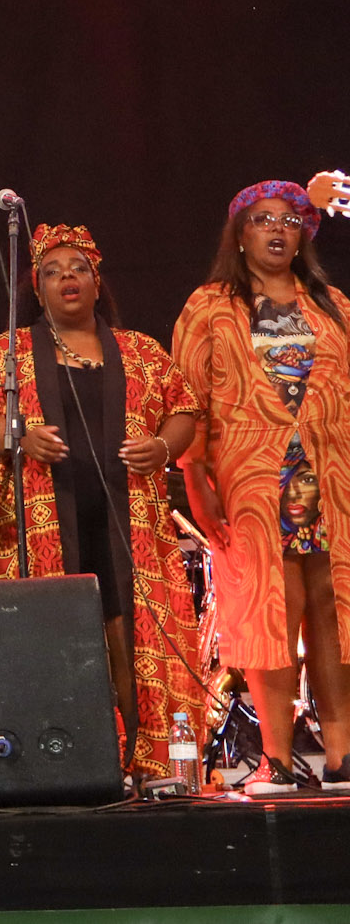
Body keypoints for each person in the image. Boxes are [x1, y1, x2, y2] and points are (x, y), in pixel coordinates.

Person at [0, 223, 204, 782]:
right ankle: (71, 765)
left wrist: (163, 447)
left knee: (129, 635)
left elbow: (183, 409)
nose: (67, 277)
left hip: (129, 523)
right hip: (44, 524)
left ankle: (146, 762)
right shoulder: (8, 351)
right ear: (36, 289)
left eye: (78, 269)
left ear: (96, 281)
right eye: (52, 271)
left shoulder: (140, 351)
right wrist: (20, 435)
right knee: (61, 640)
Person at [173, 182, 350, 795]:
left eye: (291, 221)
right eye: (263, 220)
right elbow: (186, 401)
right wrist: (196, 478)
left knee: (334, 606)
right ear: (240, 235)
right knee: (271, 609)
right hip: (250, 475)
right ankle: (277, 758)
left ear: (304, 237)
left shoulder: (333, 305)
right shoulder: (209, 307)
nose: (278, 229)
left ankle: (341, 755)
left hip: (331, 472)